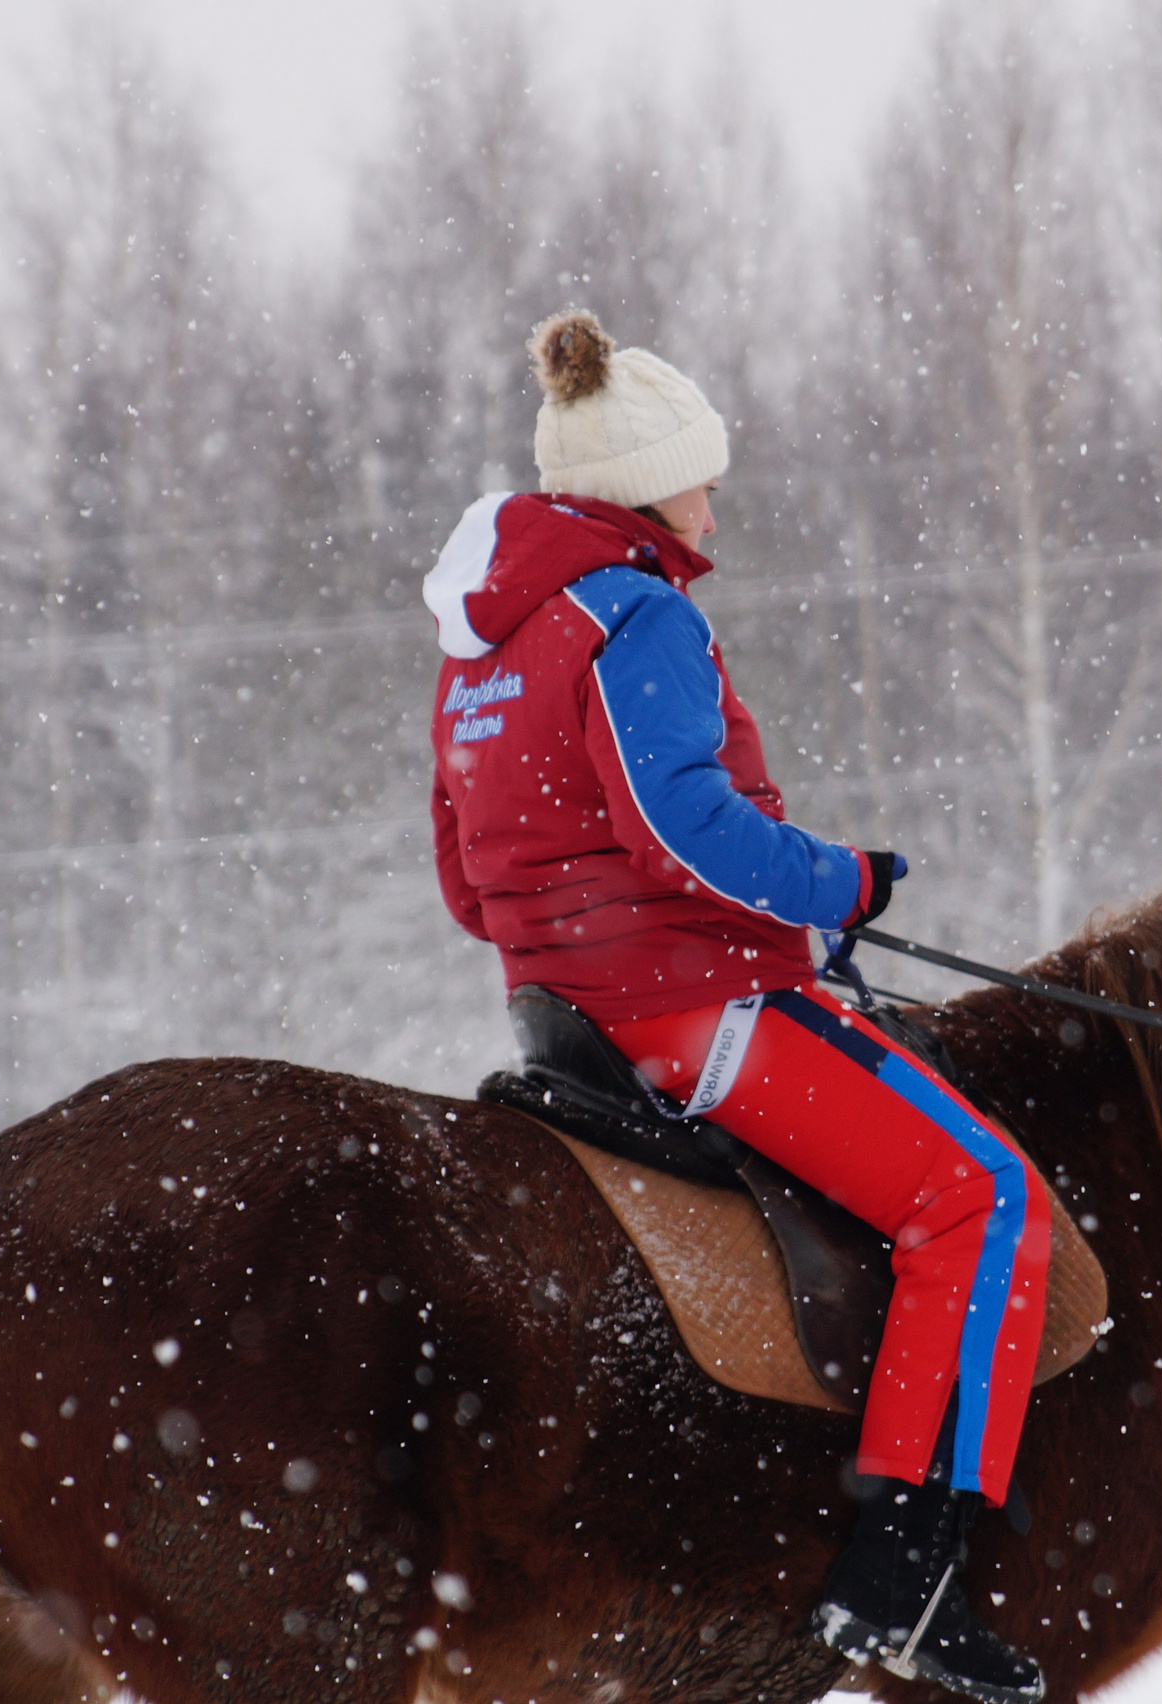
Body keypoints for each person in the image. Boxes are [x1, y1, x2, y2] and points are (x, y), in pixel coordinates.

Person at [425, 309, 1051, 1704]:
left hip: (561, 1012)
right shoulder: (639, 610)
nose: (719, 501)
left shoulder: (480, 647)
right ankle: (900, 1581)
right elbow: (683, 827)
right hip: (689, 1012)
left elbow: (468, 885)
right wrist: (844, 883)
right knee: (985, 1201)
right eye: (704, 473)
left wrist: (568, 933)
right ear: (648, 485)